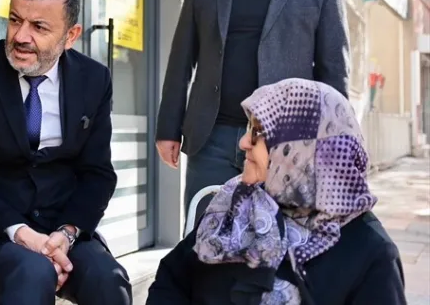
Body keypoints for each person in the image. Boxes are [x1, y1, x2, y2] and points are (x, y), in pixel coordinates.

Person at [0, 0, 132, 305]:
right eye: (15, 20)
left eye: (39, 27)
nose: (21, 36)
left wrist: (67, 234)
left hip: (62, 230)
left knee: (109, 281)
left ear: (70, 36)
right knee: (32, 273)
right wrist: (21, 233)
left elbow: (97, 173)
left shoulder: (94, 79)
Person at [156, 0, 351, 220]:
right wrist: (168, 128)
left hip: (287, 145)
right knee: (204, 244)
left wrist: (332, 148)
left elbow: (333, 73)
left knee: (279, 249)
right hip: (212, 140)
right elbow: (181, 57)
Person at [146, 78, 406, 305]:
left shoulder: (370, 253)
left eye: (258, 132)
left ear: (301, 153)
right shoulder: (233, 205)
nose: (244, 142)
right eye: (249, 129)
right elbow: (173, 280)